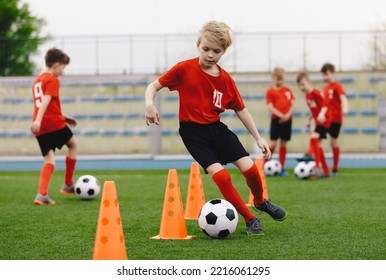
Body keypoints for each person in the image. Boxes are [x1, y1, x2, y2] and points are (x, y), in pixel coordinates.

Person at [145, 21, 287, 235]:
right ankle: (250, 219)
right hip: (193, 134)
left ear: (224, 52)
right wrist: (149, 104)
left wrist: (258, 138)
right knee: (221, 176)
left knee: (251, 169)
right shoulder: (184, 69)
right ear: (198, 45)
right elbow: (153, 86)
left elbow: (241, 109)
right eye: (206, 49)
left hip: (217, 130)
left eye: (216, 51)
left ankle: (260, 201)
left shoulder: (225, 80)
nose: (210, 55)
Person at [31, 48, 78, 205]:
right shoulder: (53, 80)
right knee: (73, 145)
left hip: (41, 126)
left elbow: (44, 104)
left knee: (49, 159)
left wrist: (63, 117)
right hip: (51, 123)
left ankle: (41, 194)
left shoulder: (38, 80)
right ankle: (68, 184)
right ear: (56, 65)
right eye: (63, 67)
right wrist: (39, 120)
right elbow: (46, 100)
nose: (63, 71)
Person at [296, 72, 331, 178]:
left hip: (325, 119)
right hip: (318, 120)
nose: (301, 87)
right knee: (318, 145)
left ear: (308, 82)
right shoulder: (307, 96)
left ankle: (317, 166)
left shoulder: (315, 92)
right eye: (299, 85)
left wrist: (321, 114)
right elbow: (315, 109)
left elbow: (325, 104)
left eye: (303, 84)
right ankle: (325, 171)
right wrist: (309, 119)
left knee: (314, 138)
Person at [265, 67, 295, 176]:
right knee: (273, 142)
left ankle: (282, 167)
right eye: (278, 79)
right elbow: (270, 107)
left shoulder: (287, 90)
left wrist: (287, 115)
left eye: (281, 79)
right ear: (273, 78)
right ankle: (265, 165)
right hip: (276, 120)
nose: (280, 82)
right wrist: (281, 115)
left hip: (287, 120)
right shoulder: (270, 91)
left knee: (284, 143)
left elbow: (292, 105)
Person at [320, 63, 349, 176]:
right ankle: (321, 166)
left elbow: (343, 98)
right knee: (317, 139)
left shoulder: (337, 86)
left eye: (327, 74)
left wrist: (345, 108)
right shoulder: (325, 88)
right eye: (323, 75)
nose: (325, 77)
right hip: (325, 119)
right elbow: (323, 104)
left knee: (333, 142)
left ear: (332, 73)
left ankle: (335, 168)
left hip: (336, 119)